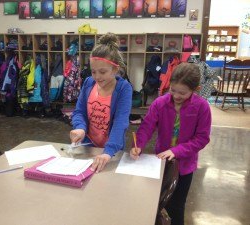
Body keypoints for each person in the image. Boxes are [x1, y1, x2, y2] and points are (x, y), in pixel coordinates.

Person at [130, 62, 211, 225]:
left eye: (182, 93)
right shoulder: (160, 103)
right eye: (173, 90)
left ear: (196, 89)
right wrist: (138, 144)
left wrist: (177, 151)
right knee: (155, 203)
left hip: (185, 166)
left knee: (177, 207)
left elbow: (202, 138)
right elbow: (147, 126)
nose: (176, 96)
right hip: (161, 163)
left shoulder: (202, 107)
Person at [70, 32, 133, 173]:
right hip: (88, 147)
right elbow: (79, 111)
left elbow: (120, 123)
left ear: (115, 69)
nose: (97, 77)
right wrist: (80, 127)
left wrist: (108, 152)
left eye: (102, 72)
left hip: (111, 151)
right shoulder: (88, 83)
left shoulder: (124, 89)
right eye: (93, 71)